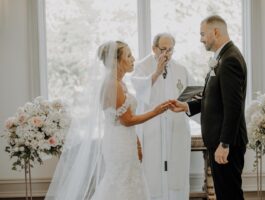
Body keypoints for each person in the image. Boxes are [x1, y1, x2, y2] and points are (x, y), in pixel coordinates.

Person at [45, 41, 171, 200]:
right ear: (116, 61)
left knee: (129, 181)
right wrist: (156, 111)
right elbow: (127, 120)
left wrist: (137, 142)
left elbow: (125, 115)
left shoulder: (119, 82)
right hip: (119, 144)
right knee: (120, 183)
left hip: (125, 140)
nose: (133, 59)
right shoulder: (112, 85)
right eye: (129, 55)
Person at [170, 15, 248, 200]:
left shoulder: (229, 60)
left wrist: (224, 144)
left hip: (226, 142)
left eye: (203, 34)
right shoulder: (222, 56)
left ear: (216, 32)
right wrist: (186, 106)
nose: (201, 39)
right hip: (220, 140)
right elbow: (213, 98)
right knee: (225, 194)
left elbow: (233, 107)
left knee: (230, 194)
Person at [131, 33, 198, 200]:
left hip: (176, 125)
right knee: (152, 167)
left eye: (170, 50)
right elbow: (139, 90)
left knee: (176, 168)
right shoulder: (142, 66)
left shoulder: (181, 69)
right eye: (163, 49)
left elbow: (195, 94)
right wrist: (157, 72)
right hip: (152, 126)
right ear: (154, 48)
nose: (167, 54)